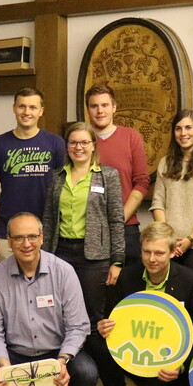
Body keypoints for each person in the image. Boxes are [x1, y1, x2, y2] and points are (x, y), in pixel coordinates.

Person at [0, 213, 98, 386]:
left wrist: (62, 360)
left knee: (87, 373)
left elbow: (78, 326)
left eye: (32, 236)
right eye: (19, 238)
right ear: (9, 242)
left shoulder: (64, 272)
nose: (26, 244)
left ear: (42, 237)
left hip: (56, 353)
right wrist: (4, 367)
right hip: (15, 356)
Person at [91, 222, 193, 386]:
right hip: (133, 355)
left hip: (167, 368)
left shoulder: (191, 281)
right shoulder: (127, 277)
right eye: (147, 252)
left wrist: (180, 367)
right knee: (97, 341)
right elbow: (112, 320)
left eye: (159, 253)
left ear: (173, 252)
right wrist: (104, 326)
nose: (152, 259)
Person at [42, 121, 125, 328]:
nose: (78, 148)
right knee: (60, 309)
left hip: (94, 257)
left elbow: (116, 220)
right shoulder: (57, 177)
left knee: (92, 313)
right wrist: (43, 256)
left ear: (93, 145)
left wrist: (117, 261)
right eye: (73, 143)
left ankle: (90, 359)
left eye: (84, 142)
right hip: (60, 252)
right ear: (66, 146)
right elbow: (49, 219)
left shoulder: (108, 176)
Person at [0, 88, 66, 263]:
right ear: (14, 108)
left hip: (45, 234)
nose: (26, 112)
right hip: (7, 234)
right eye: (22, 106)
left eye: (32, 107)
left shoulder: (56, 143)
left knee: (44, 286)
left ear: (41, 111)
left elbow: (65, 190)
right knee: (7, 286)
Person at [150, 109, 193, 278]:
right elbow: (158, 203)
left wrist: (190, 239)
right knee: (170, 298)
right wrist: (170, 239)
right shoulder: (165, 163)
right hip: (168, 245)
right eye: (178, 129)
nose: (183, 133)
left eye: (188, 128)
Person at [85, 84, 149, 263]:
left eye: (104, 105)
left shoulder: (131, 137)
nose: (100, 111)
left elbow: (142, 182)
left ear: (114, 107)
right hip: (88, 229)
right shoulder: (81, 141)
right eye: (94, 106)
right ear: (88, 110)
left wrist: (119, 219)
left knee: (126, 287)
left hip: (125, 226)